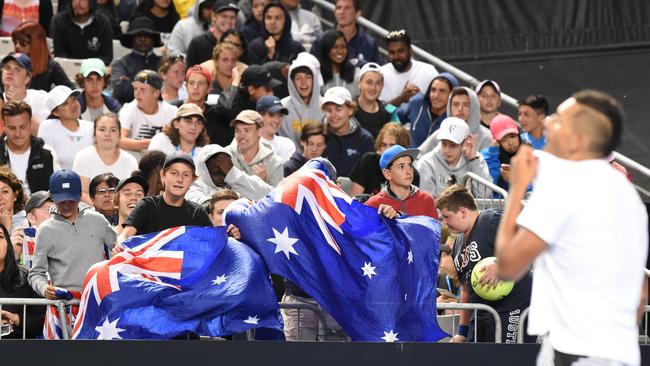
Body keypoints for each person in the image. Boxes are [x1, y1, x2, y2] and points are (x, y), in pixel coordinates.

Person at [495, 90, 647, 365]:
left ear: (577, 141)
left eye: (559, 120)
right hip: (618, 352)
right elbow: (642, 291)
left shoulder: (566, 188)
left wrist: (517, 188)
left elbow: (507, 266)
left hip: (576, 353)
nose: (549, 122)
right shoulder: (629, 197)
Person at [435, 184, 532, 344]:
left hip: (513, 307)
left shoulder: (490, 220)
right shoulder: (458, 243)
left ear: (462, 212)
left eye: (447, 216)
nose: (444, 222)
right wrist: (462, 331)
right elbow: (465, 288)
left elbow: (528, 242)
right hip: (481, 312)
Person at [28, 169, 117, 300]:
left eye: (71, 200)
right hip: (63, 307)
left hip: (97, 301)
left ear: (80, 194)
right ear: (51, 196)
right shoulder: (45, 230)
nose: (67, 205)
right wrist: (44, 288)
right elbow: (35, 273)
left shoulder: (98, 220)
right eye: (62, 201)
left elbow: (121, 250)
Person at [117, 153, 212, 244]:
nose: (180, 179)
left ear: (192, 180)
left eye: (186, 175)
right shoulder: (147, 205)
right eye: (174, 173)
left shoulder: (198, 213)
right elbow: (125, 235)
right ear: (162, 175)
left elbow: (213, 242)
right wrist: (120, 244)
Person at [416, 117, 491, 198]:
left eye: (453, 145)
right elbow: (427, 202)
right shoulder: (426, 163)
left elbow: (484, 196)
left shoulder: (477, 159)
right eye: (444, 144)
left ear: (465, 143)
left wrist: (473, 160)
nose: (447, 150)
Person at [209, 64, 280, 146]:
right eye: (267, 89)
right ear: (251, 89)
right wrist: (235, 82)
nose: (271, 93)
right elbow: (225, 108)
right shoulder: (234, 104)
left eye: (272, 89)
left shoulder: (266, 107)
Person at [72, 113, 138, 198]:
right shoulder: (83, 156)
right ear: (94, 134)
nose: (107, 134)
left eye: (113, 130)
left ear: (119, 134)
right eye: (102, 129)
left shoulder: (130, 160)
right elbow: (83, 193)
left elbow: (132, 193)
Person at [0, 101, 58, 195]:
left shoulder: (47, 153)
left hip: (41, 208)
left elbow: (57, 191)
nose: (18, 134)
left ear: (30, 124)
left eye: (23, 127)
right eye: (12, 128)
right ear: (3, 126)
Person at [365, 144, 437, 218]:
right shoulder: (373, 204)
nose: (408, 171)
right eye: (401, 167)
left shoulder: (426, 200)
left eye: (410, 165)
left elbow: (434, 229)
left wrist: (399, 217)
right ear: (387, 174)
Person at [119, 70, 179, 157]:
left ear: (156, 93)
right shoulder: (128, 109)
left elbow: (177, 140)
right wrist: (157, 143)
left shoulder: (172, 112)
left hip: (163, 160)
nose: (137, 94)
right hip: (135, 159)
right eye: (135, 88)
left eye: (142, 89)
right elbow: (120, 141)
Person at [0, 222, 45, 339]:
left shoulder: (28, 278)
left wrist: (16, 318)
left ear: (8, 244)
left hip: (21, 350)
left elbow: (43, 322)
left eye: (0, 237)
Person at [186, 144, 273, 203]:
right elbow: (206, 208)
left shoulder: (236, 180)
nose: (222, 177)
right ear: (204, 171)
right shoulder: (193, 188)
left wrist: (232, 173)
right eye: (216, 173)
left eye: (225, 171)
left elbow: (272, 197)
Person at [418, 86, 492, 156]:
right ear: (449, 107)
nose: (460, 109)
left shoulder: (486, 138)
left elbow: (486, 167)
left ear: (474, 108)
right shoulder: (441, 132)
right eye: (455, 104)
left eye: (466, 105)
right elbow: (417, 155)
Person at [321, 86, 373, 178]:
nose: (333, 115)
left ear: (350, 110)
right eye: (329, 110)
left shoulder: (365, 139)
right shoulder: (319, 135)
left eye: (338, 109)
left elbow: (369, 176)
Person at [349, 123, 413, 196]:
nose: (386, 150)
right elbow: (355, 200)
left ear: (402, 149)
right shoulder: (368, 161)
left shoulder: (411, 173)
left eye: (392, 146)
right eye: (384, 145)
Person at [38, 85, 94, 170]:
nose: (73, 105)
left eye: (74, 99)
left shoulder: (91, 126)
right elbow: (46, 161)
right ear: (56, 112)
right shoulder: (48, 127)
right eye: (65, 103)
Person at [397, 72, 459, 148]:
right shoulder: (417, 102)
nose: (436, 95)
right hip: (409, 156)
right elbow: (395, 116)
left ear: (452, 95)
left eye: (442, 91)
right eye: (433, 90)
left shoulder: (454, 118)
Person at [111, 17, 163, 104]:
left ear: (153, 39)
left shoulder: (162, 63)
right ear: (131, 39)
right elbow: (121, 91)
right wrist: (154, 87)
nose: (142, 39)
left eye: (146, 35)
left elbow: (169, 89)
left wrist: (132, 83)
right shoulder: (121, 64)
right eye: (138, 35)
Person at [379, 29, 438, 106]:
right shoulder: (380, 74)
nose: (396, 56)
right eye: (392, 52)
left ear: (410, 51)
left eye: (400, 51)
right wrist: (401, 99)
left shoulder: (428, 72)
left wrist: (421, 99)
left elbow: (441, 106)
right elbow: (377, 112)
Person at [225, 109, 283, 186]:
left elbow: (276, 196)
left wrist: (261, 184)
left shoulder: (275, 162)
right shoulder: (224, 157)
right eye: (237, 131)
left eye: (247, 130)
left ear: (259, 132)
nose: (241, 136)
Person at [11, 21, 72, 91]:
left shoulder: (51, 67)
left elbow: (70, 91)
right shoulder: (9, 62)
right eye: (15, 42)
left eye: (23, 43)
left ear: (36, 45)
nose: (17, 46)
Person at [49, 0, 113, 65]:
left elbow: (106, 57)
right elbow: (59, 55)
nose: (77, 3)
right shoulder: (60, 22)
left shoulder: (102, 23)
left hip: (94, 71)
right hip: (65, 70)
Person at [280, 53, 323, 147]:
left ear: (314, 80)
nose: (304, 82)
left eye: (308, 77)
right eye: (298, 78)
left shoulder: (325, 106)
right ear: (292, 82)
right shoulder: (283, 107)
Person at [353, 62, 400, 138]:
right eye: (369, 82)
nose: (373, 88)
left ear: (382, 86)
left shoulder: (390, 111)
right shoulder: (348, 109)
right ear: (359, 83)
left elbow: (397, 140)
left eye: (378, 83)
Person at [186, 0, 238, 68]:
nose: (228, 21)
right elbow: (190, 74)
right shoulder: (197, 44)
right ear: (213, 16)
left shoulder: (239, 43)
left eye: (232, 17)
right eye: (224, 16)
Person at [1, 53, 49, 123]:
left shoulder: (40, 98)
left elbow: (43, 132)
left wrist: (18, 104)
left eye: (17, 69)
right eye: (7, 68)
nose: (10, 72)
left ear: (27, 78)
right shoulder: (0, 100)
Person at [480, 114, 521, 191]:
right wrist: (492, 155)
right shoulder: (488, 155)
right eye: (504, 139)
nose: (511, 143)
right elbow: (489, 188)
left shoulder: (528, 152)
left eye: (513, 136)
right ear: (496, 141)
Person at [316, 29, 360, 97]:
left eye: (343, 47)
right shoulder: (317, 75)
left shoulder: (357, 74)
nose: (340, 51)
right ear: (326, 49)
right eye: (335, 47)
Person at [256, 95, 294, 162]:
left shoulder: (287, 144)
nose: (276, 121)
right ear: (259, 116)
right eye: (271, 115)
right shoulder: (249, 143)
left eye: (280, 115)